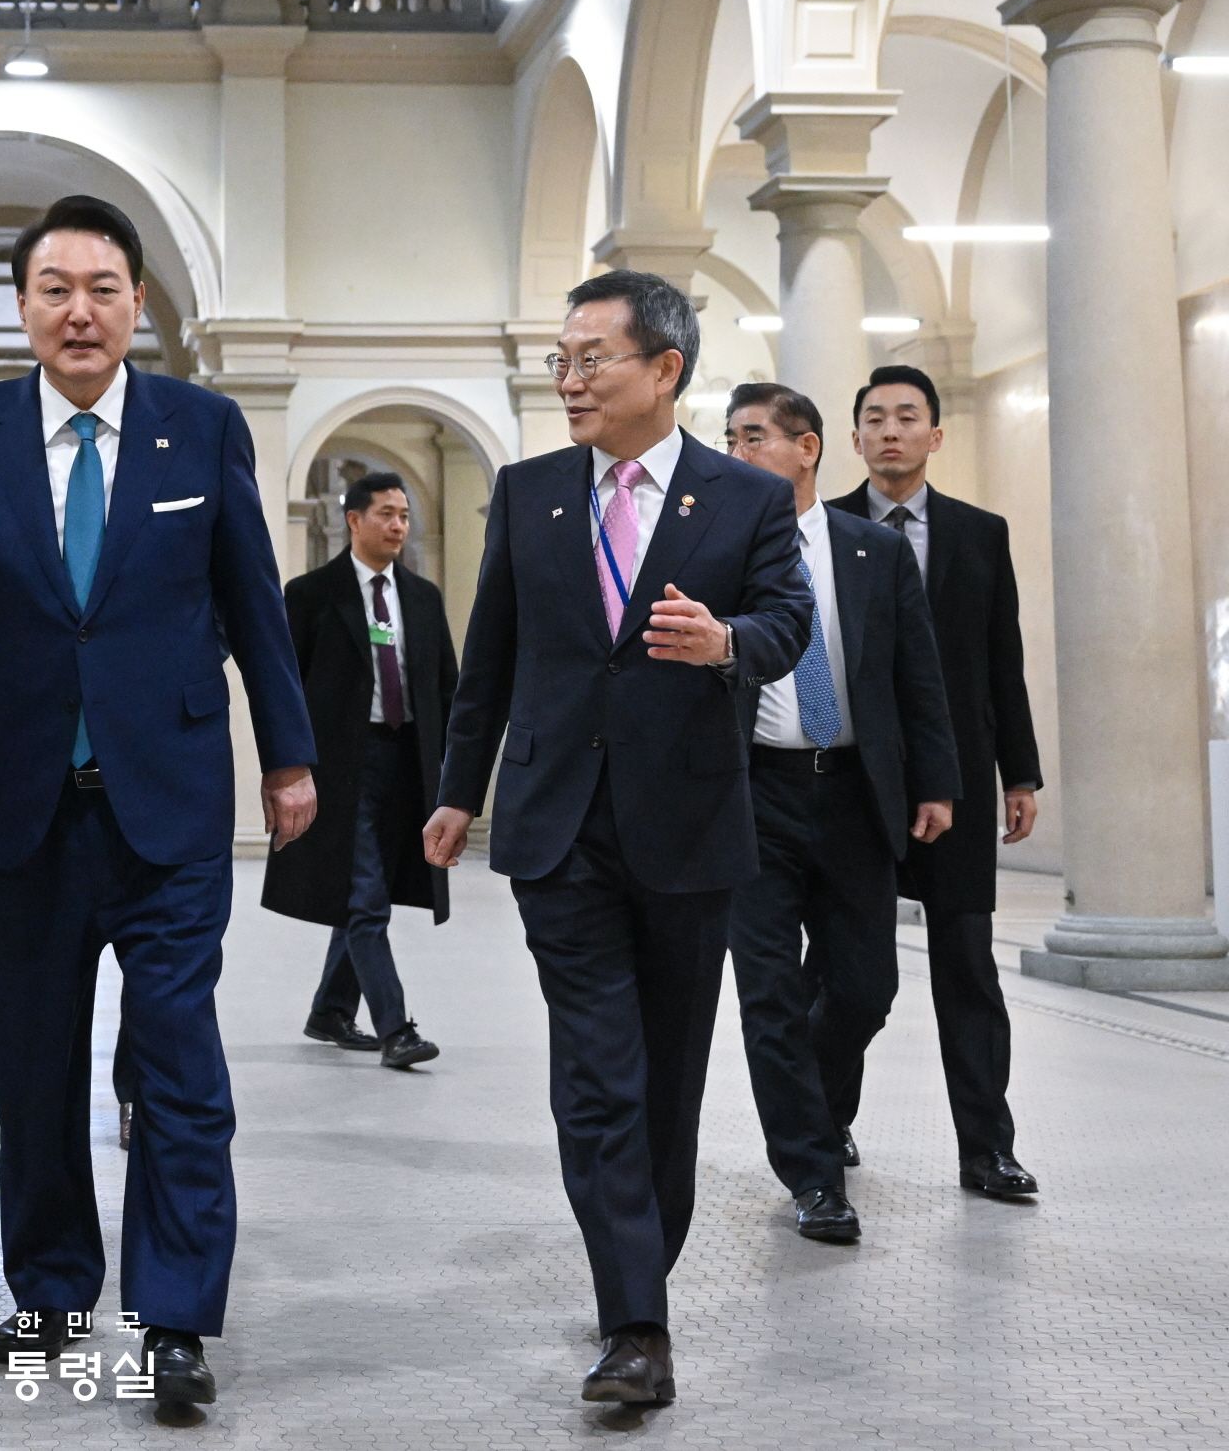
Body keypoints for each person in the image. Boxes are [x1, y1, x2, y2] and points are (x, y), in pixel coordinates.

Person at [0, 194, 316, 1411]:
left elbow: (251, 607)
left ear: (139, 305)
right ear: (22, 308)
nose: (81, 310)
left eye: (105, 287)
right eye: (55, 288)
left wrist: (289, 755)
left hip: (168, 806)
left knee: (178, 1060)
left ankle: (174, 1316)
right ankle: (54, 1293)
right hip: (12, 804)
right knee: (31, 1066)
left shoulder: (200, 426)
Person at [423, 270, 810, 1408]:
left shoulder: (741, 498)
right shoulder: (531, 489)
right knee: (596, 1075)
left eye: (593, 357)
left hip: (689, 826)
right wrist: (456, 792)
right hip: (556, 827)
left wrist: (725, 641)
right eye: (561, 359)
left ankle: (637, 1267)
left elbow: (787, 624)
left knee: (667, 1078)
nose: (570, 379)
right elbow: (488, 659)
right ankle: (638, 1319)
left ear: (666, 370)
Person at [720, 383, 958, 1245]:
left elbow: (915, 677)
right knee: (769, 994)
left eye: (753, 438)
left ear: (807, 447)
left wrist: (935, 782)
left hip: (856, 792)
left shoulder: (870, 552)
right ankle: (813, 1173)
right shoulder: (718, 553)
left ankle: (815, 1110)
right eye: (730, 438)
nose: (736, 454)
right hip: (753, 795)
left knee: (867, 985)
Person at [829, 364, 1045, 1200]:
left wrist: (1018, 771)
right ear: (854, 439)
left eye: (907, 416)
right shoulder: (822, 526)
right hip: (852, 783)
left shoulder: (978, 533)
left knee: (967, 966)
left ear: (935, 434)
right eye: (875, 417)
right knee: (847, 973)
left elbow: (1003, 662)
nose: (890, 430)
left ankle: (986, 1148)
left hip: (955, 779)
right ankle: (825, 1120)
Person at [262, 469, 454, 1068]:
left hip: (407, 761)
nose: (398, 524)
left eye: (403, 515)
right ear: (353, 520)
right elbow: (283, 686)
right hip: (343, 765)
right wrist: (286, 767)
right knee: (367, 894)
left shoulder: (421, 598)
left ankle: (329, 1009)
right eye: (386, 514)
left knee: (373, 891)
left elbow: (445, 685)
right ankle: (396, 1028)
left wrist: (454, 776)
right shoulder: (312, 594)